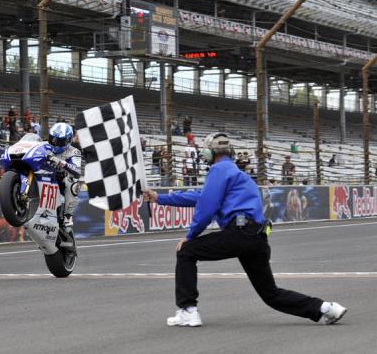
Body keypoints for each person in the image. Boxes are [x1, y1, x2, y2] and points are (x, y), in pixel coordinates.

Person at [142, 132, 346, 327]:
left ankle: (188, 311)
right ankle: (326, 308)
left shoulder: (218, 170)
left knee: (186, 251)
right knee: (271, 294)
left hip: (238, 233)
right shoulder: (236, 174)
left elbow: (206, 207)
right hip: (257, 237)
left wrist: (190, 236)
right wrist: (160, 198)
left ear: (210, 153)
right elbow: (200, 197)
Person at [46, 122, 81, 229]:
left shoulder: (74, 151)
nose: (55, 144)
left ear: (68, 140)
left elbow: (77, 171)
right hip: (46, 178)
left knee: (73, 182)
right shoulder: (45, 146)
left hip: (61, 182)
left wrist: (59, 161)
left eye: (59, 141)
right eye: (53, 139)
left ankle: (68, 215)